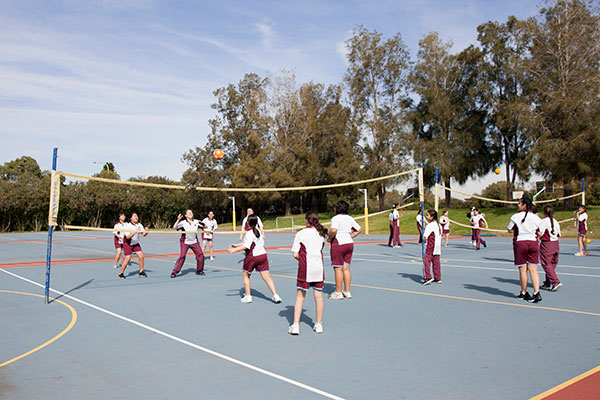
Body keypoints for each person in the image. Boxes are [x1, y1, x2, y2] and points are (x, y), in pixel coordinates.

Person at [289, 211, 328, 335]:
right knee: (319, 296)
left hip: (306, 268)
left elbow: (295, 254)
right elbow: (321, 248)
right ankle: (318, 324)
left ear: (306, 220)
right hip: (318, 267)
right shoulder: (322, 234)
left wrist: (301, 259)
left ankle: (295, 326)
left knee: (300, 296)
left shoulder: (301, 234)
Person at [228, 215, 282, 304]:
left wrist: (233, 250)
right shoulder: (258, 232)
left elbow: (246, 246)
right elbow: (250, 243)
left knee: (246, 276)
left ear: (248, 223)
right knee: (267, 277)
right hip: (263, 256)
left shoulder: (249, 233)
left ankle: (248, 296)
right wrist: (237, 245)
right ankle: (276, 295)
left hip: (252, 257)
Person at [507, 196, 542, 303]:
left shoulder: (515, 216)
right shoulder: (536, 218)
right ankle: (536, 292)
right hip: (533, 243)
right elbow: (541, 231)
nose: (517, 205)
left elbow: (509, 229)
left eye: (519, 203)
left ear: (524, 205)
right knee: (533, 269)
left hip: (520, 243)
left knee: (523, 270)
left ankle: (524, 292)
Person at [327, 200, 361, 300]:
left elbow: (333, 230)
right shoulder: (350, 218)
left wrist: (329, 238)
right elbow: (359, 229)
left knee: (338, 268)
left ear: (336, 209)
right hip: (349, 244)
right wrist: (350, 236)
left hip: (339, 244)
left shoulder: (335, 218)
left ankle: (338, 292)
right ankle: (347, 291)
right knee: (346, 268)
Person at [171, 210, 206, 278]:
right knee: (182, 256)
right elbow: (174, 227)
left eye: (191, 212)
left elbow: (205, 227)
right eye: (188, 213)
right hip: (185, 242)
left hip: (194, 241)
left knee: (201, 255)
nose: (190, 213)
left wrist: (202, 223)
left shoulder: (196, 221)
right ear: (186, 215)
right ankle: (174, 272)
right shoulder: (183, 223)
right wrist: (178, 220)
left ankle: (199, 270)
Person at [538, 205, 562, 291]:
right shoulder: (555, 221)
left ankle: (555, 282)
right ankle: (548, 282)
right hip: (556, 244)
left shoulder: (544, 221)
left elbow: (540, 233)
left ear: (543, 212)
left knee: (546, 263)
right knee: (552, 264)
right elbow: (559, 234)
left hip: (547, 244)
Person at [119, 213, 148, 279]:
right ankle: (121, 273)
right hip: (127, 243)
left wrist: (146, 231)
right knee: (128, 259)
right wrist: (134, 232)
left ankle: (141, 271)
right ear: (131, 218)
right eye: (134, 216)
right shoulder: (127, 226)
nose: (136, 217)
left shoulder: (139, 225)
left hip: (135, 243)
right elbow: (128, 237)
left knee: (141, 256)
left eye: (137, 216)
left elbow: (144, 234)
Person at [422, 210, 442, 285]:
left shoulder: (430, 225)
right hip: (437, 245)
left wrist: (424, 240)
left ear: (432, 216)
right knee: (436, 262)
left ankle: (428, 277)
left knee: (426, 261)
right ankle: (437, 277)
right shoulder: (438, 224)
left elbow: (425, 236)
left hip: (431, 245)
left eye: (428, 215)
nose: (426, 217)